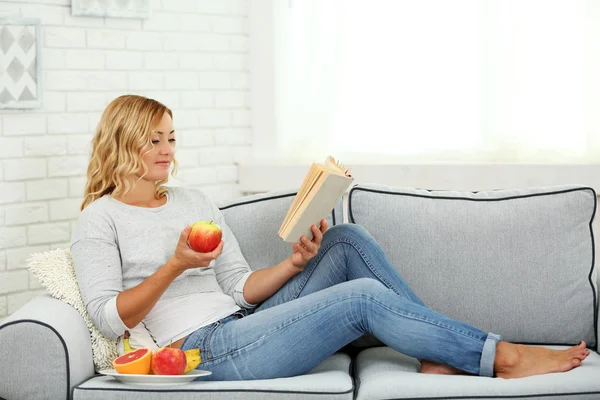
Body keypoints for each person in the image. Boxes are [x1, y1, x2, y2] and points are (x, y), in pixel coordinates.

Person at [71, 94, 589, 381]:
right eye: (154, 139)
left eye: (171, 137)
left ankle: (440, 354)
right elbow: (109, 316)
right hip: (202, 349)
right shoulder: (100, 219)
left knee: (346, 238)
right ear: (123, 142)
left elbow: (238, 286)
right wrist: (177, 265)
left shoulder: (195, 202)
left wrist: (295, 264)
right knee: (361, 297)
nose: (167, 149)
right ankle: (497, 357)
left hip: (248, 319)